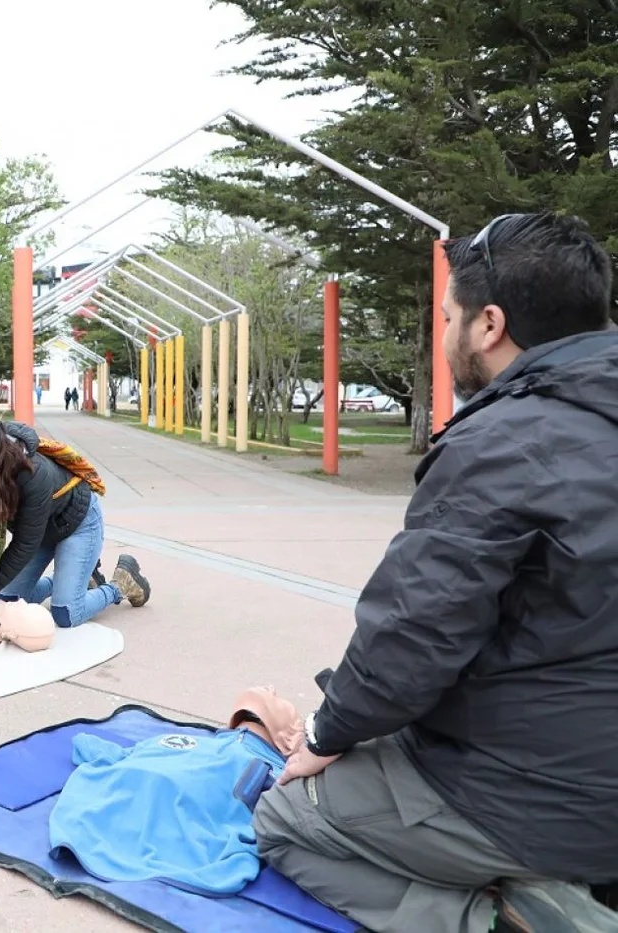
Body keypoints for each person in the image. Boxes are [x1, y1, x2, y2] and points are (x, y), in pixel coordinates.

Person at [253, 212, 618, 933]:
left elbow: (411, 638)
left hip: (545, 797)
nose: (442, 334)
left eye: (446, 316)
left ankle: (495, 916)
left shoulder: (502, 442)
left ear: (488, 325)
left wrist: (326, 735)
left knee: (285, 818)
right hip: (581, 753)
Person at [0, 420, 150, 627]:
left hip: (77, 525)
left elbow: (25, 543)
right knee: (7, 601)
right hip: (41, 533)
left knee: (66, 614)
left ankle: (121, 583)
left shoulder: (32, 474)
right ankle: (83, 579)